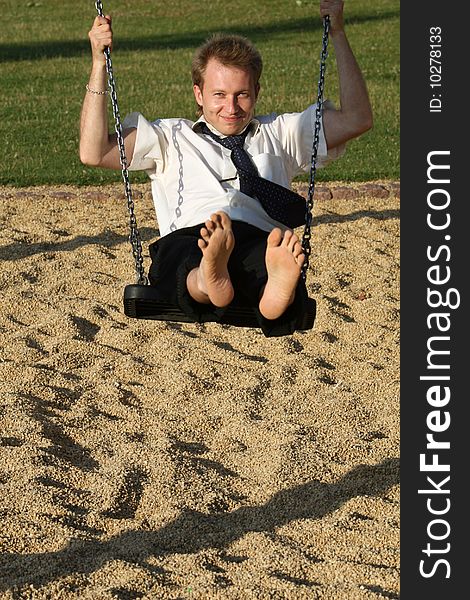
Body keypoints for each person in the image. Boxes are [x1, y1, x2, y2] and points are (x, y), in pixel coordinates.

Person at [80, 0, 372, 337]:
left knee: (268, 258)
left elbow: (357, 119)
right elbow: (93, 152)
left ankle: (272, 295)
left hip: (257, 239)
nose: (231, 107)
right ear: (198, 94)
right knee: (184, 254)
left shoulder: (281, 133)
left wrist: (336, 32)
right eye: (219, 94)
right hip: (195, 234)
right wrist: (99, 61)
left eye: (242, 95)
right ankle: (209, 277)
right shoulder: (169, 137)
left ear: (257, 92)